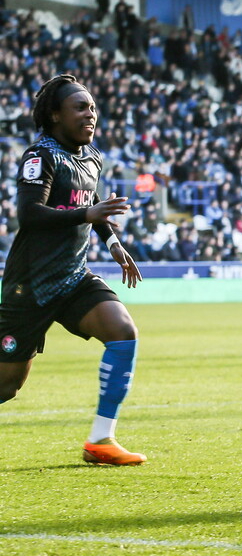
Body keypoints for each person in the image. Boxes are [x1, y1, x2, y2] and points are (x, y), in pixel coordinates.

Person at [0, 74, 145, 465]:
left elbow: (91, 202)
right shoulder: (39, 156)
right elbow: (29, 215)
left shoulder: (91, 156)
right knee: (8, 386)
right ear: (54, 115)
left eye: (93, 108)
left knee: (122, 331)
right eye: (80, 107)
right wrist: (87, 213)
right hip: (29, 284)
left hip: (73, 277)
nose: (90, 115)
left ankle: (101, 441)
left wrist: (113, 242)